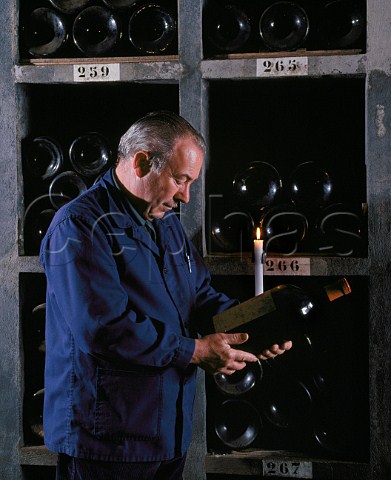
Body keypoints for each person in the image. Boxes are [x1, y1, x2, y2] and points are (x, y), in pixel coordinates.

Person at [40, 111, 292, 480]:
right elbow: (105, 328)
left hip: (166, 433)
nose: (186, 196)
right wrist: (196, 351)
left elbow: (200, 296)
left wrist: (251, 327)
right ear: (142, 162)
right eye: (180, 179)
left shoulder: (166, 222)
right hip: (107, 441)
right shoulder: (78, 227)